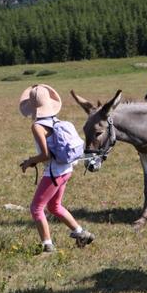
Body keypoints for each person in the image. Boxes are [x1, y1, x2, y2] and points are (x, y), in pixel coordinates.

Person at [18, 84, 94, 253]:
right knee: (54, 206)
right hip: (67, 169)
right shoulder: (56, 121)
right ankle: (81, 233)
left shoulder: (37, 126)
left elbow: (45, 155)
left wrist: (30, 161)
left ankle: (47, 246)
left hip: (54, 173)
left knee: (36, 208)